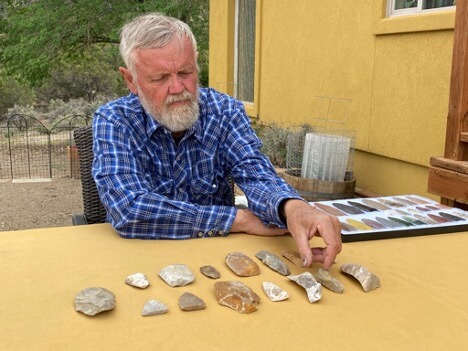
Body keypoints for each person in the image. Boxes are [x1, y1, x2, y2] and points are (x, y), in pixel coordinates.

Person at [92, 13, 342, 269]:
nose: (178, 88)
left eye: (186, 72)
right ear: (130, 80)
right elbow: (129, 208)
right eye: (160, 78)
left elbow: (255, 174)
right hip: (142, 262)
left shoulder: (225, 112)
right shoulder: (114, 121)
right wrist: (238, 220)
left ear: (196, 65)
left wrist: (293, 208)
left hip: (221, 261)